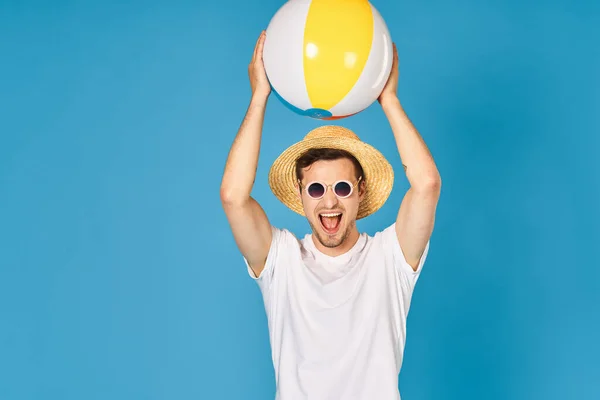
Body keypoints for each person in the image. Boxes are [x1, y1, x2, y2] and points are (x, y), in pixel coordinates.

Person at [220, 31, 442, 400]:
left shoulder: (390, 258)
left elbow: (427, 185)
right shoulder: (281, 260)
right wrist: (259, 96)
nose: (329, 203)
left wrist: (388, 99)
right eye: (316, 189)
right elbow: (233, 196)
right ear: (301, 195)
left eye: (341, 188)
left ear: (360, 191)